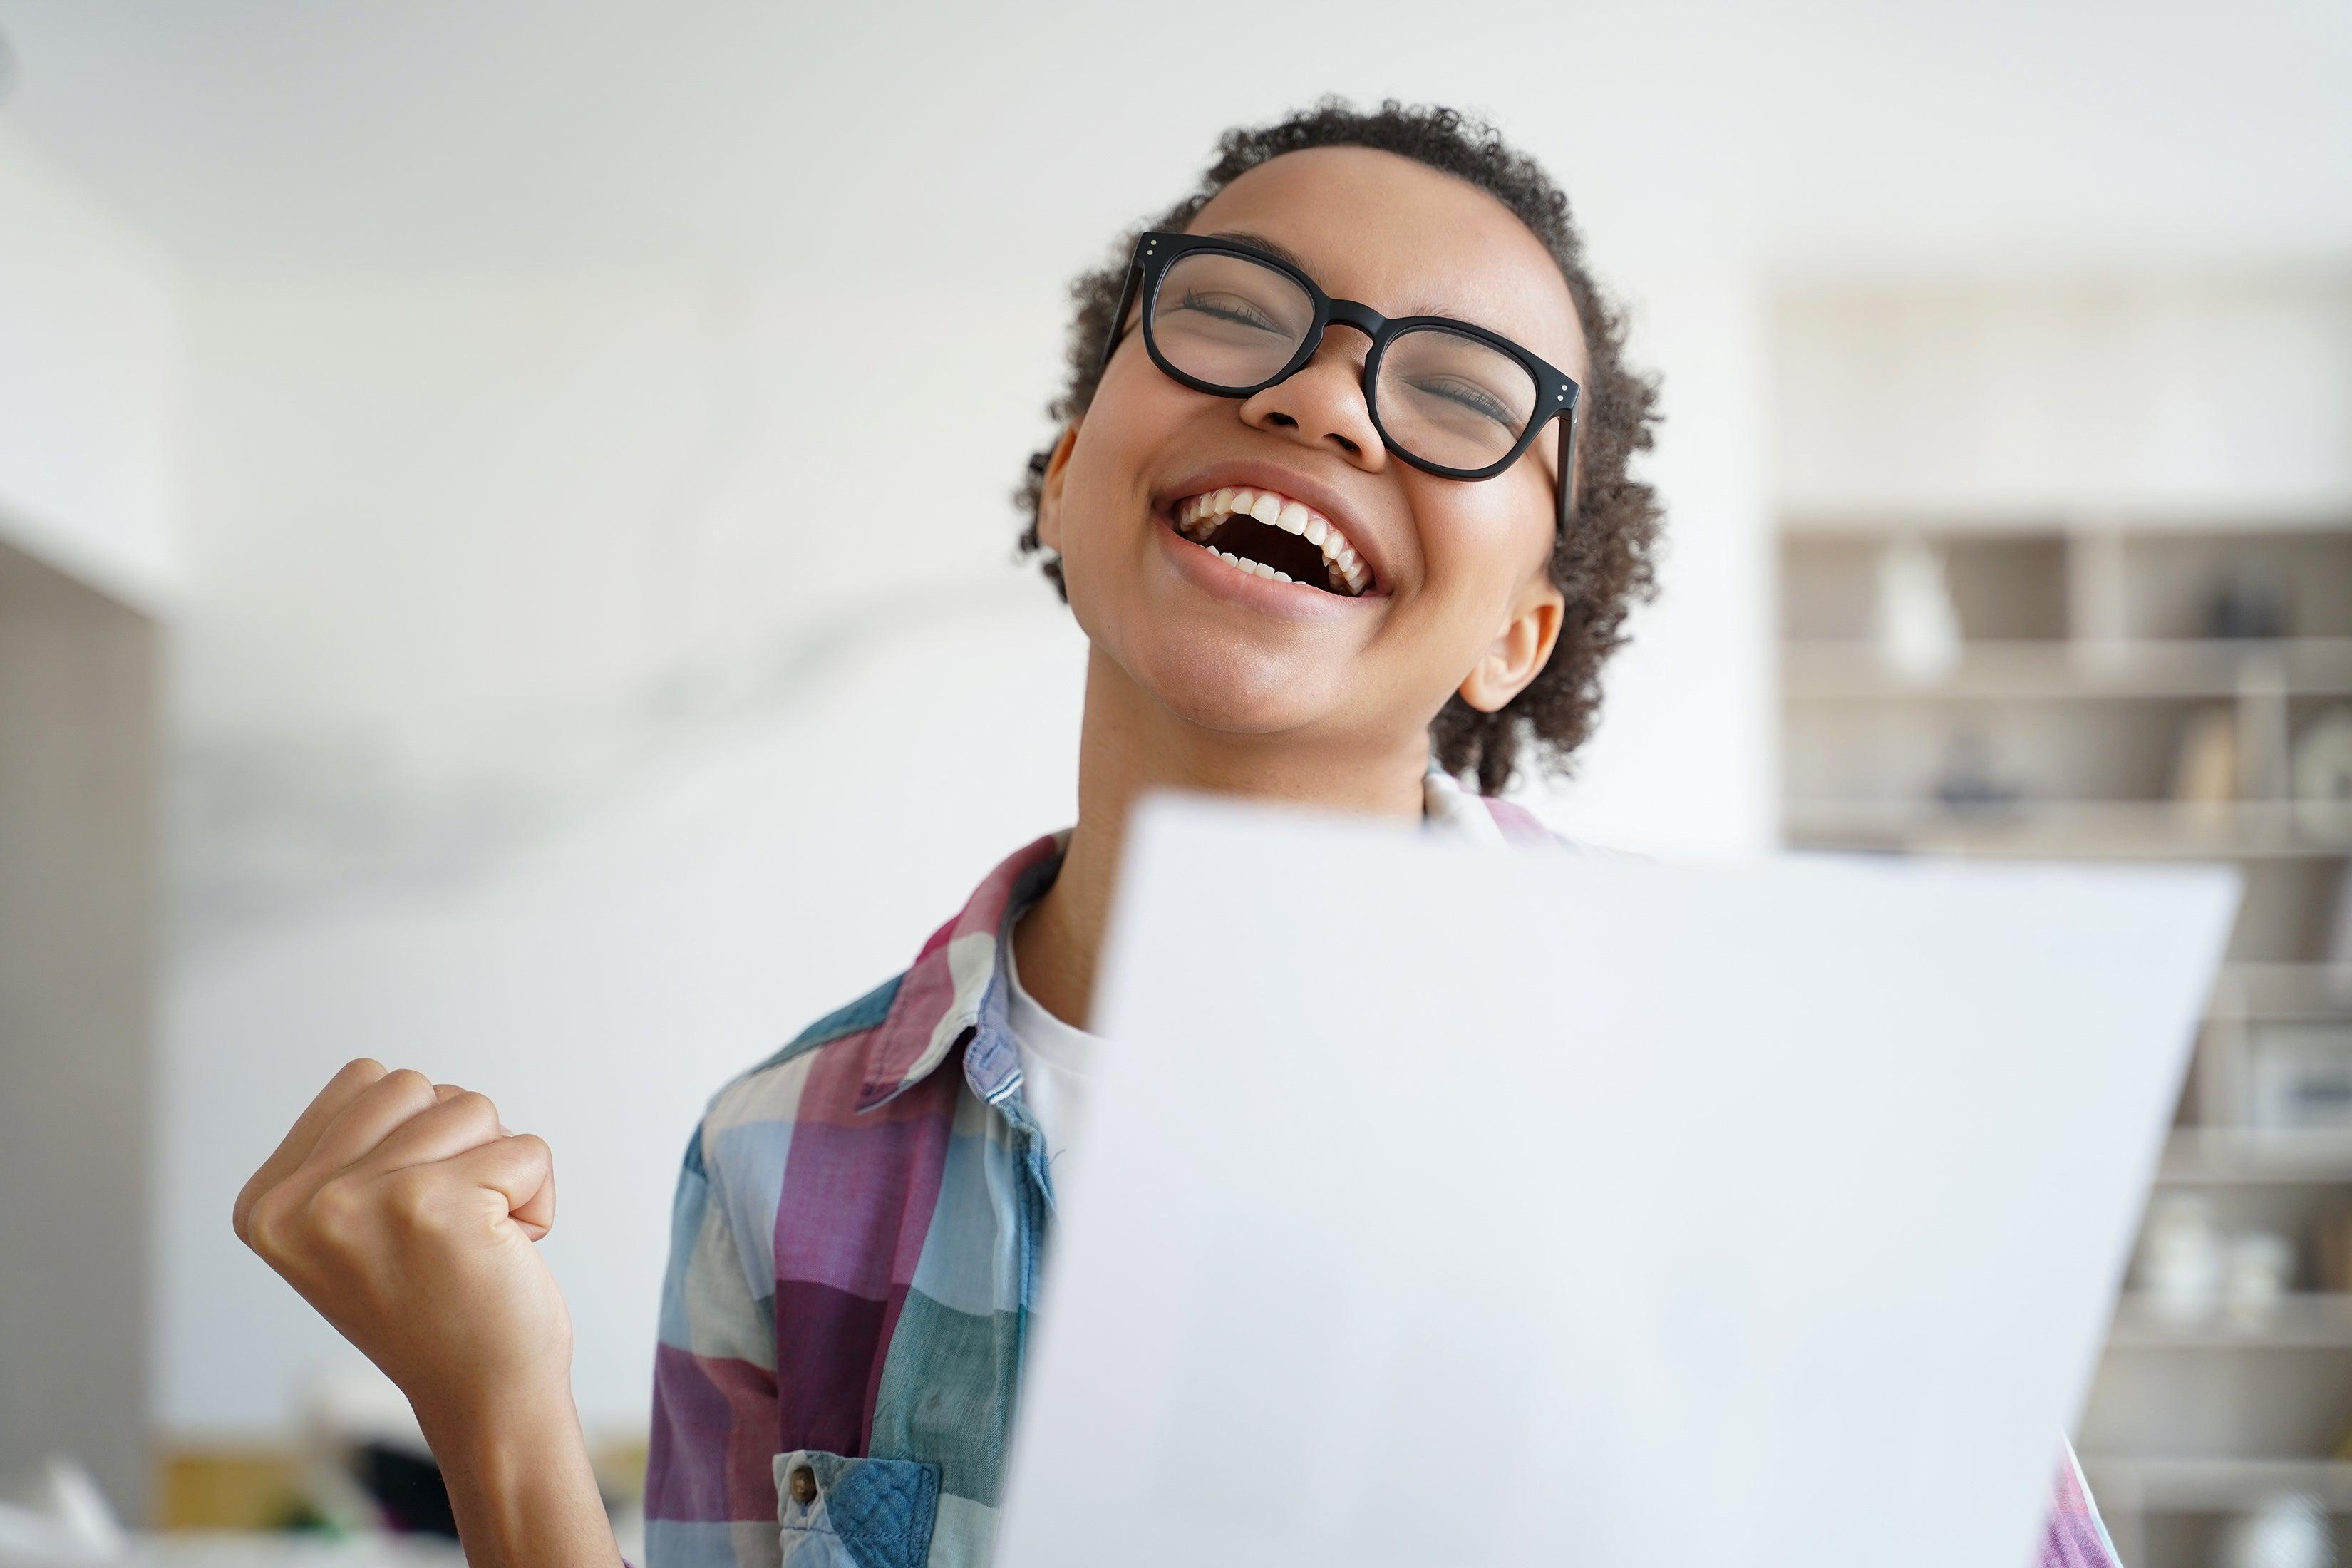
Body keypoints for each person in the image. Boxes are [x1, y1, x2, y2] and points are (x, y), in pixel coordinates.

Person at [234, 97, 2124, 1568]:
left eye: (1461, 395)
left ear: (1518, 633)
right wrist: (495, 1421)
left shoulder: (1760, 1079)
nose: (1312, 394)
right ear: (1066, 473)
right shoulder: (774, 1155)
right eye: (1229, 313)